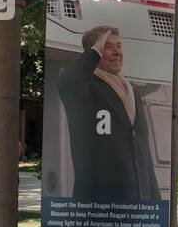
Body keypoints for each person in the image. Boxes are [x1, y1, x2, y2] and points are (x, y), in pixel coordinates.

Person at [58, 25, 159, 202]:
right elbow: (70, 81)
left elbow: (144, 154)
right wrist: (94, 50)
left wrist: (155, 203)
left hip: (139, 201)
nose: (117, 52)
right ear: (94, 52)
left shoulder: (132, 90)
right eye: (108, 46)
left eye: (119, 46)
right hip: (100, 203)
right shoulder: (84, 89)